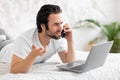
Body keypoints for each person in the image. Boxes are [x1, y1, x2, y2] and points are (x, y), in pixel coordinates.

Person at [0, 4, 76, 73]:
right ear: (43, 26)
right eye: (56, 24)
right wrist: (32, 55)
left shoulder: (57, 36)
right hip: (3, 47)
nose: (60, 28)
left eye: (61, 23)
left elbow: (68, 63)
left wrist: (70, 40)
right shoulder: (25, 39)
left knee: (7, 36)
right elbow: (14, 70)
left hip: (13, 43)